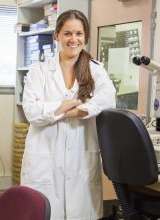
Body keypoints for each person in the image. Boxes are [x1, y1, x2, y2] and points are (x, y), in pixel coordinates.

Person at [21, 9, 116, 220]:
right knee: (44, 213)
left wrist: (69, 110)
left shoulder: (96, 70)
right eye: (67, 33)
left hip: (80, 156)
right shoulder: (39, 71)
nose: (74, 39)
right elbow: (32, 111)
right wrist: (68, 104)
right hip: (44, 157)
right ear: (57, 36)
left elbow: (107, 99)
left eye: (79, 34)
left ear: (85, 36)